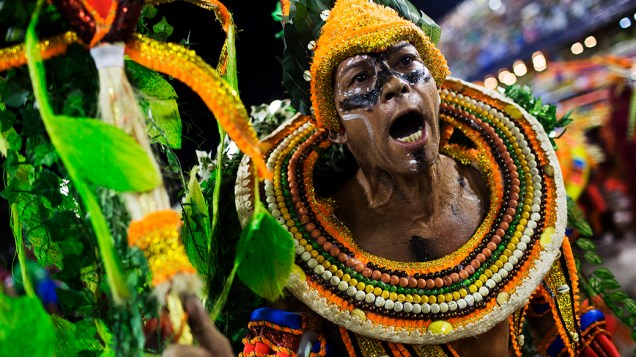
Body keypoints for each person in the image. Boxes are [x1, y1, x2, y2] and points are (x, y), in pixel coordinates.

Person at [168, 0, 620, 356]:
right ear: (337, 129)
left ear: (435, 89)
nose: (395, 86)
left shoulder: (513, 201)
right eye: (361, 78)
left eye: (406, 63)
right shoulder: (305, 264)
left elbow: (563, 327)